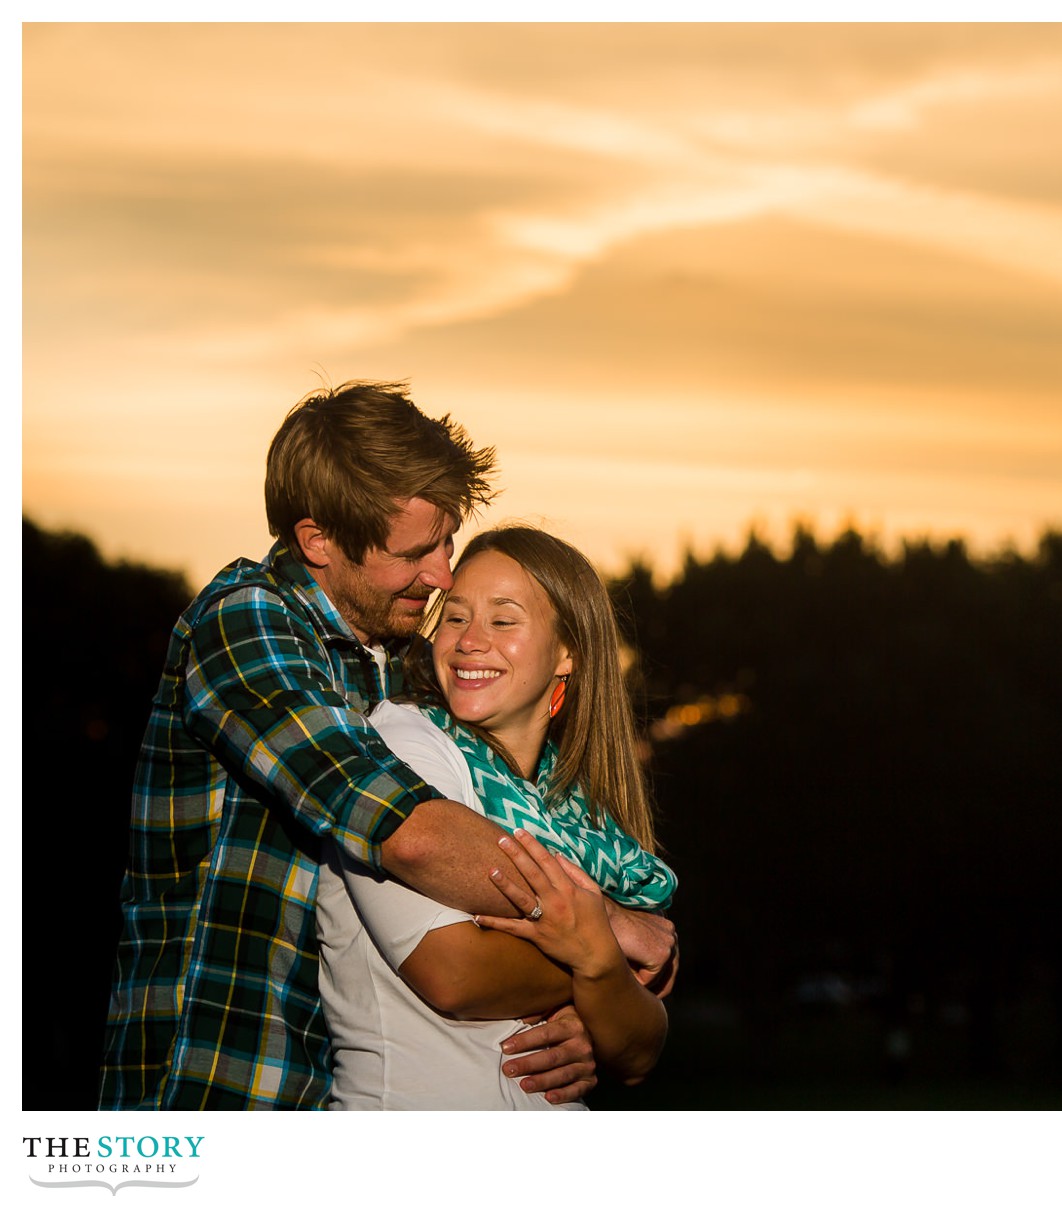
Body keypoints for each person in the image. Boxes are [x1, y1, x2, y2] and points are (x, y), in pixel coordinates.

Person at [99, 381, 676, 1110]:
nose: (440, 574)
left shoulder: (393, 662)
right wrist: (607, 939)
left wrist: (590, 1005)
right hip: (218, 1080)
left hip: (326, 1092)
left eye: (446, 540)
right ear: (317, 541)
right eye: (415, 552)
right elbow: (404, 831)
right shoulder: (246, 625)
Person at [317, 525, 674, 1109]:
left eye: (503, 621)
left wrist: (602, 978)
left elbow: (637, 1054)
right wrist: (604, 969)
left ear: (569, 652)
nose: (469, 641)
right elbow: (456, 974)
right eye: (455, 618)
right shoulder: (401, 747)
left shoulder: (581, 811)